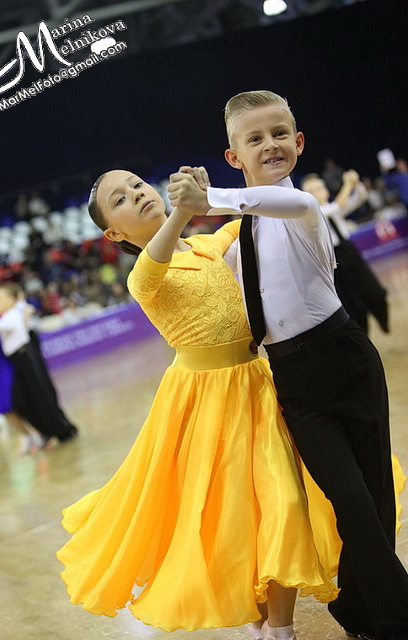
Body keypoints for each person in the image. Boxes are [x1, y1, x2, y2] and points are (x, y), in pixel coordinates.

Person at [57, 169, 346, 640]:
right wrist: (187, 209)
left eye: (136, 185)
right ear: (114, 234)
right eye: (121, 199)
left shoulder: (209, 245)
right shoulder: (142, 276)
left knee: (284, 500)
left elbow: (254, 212)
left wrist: (219, 191)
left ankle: (281, 629)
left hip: (257, 387)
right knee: (232, 516)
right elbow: (157, 261)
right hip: (204, 405)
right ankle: (261, 621)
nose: (137, 194)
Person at [167, 90, 408, 640]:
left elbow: (279, 203)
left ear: (299, 142)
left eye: (279, 134)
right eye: (255, 138)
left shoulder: (302, 208)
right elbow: (195, 271)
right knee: (350, 501)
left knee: (372, 501)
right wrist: (176, 217)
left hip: (346, 359)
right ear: (234, 156)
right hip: (294, 382)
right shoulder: (235, 241)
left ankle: (364, 614)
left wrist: (209, 197)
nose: (270, 145)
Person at [0, 284, 78, 445]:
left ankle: (63, 430)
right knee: (20, 400)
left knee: (42, 395)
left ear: (11, 299)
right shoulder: (9, 314)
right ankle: (46, 431)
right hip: (16, 361)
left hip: (26, 356)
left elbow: (0, 324)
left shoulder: (15, 313)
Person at [300, 170, 389, 335]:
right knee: (352, 307)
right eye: (310, 191)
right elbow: (338, 205)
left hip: (350, 252)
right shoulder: (309, 215)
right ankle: (364, 339)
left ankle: (383, 322)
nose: (315, 193)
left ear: (326, 191)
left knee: (376, 293)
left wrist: (355, 182)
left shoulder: (333, 210)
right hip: (333, 263)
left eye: (318, 188)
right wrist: (347, 184)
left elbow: (360, 197)